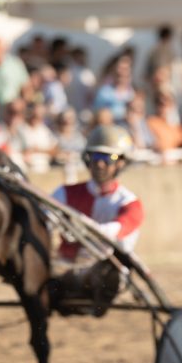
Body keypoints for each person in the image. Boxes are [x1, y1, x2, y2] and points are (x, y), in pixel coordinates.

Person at [48, 125, 144, 316]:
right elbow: (43, 220)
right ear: (87, 159)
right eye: (95, 157)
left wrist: (79, 224)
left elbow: (112, 231)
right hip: (65, 270)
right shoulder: (65, 193)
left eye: (109, 158)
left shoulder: (130, 204)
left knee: (108, 272)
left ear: (122, 163)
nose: (100, 164)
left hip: (102, 278)